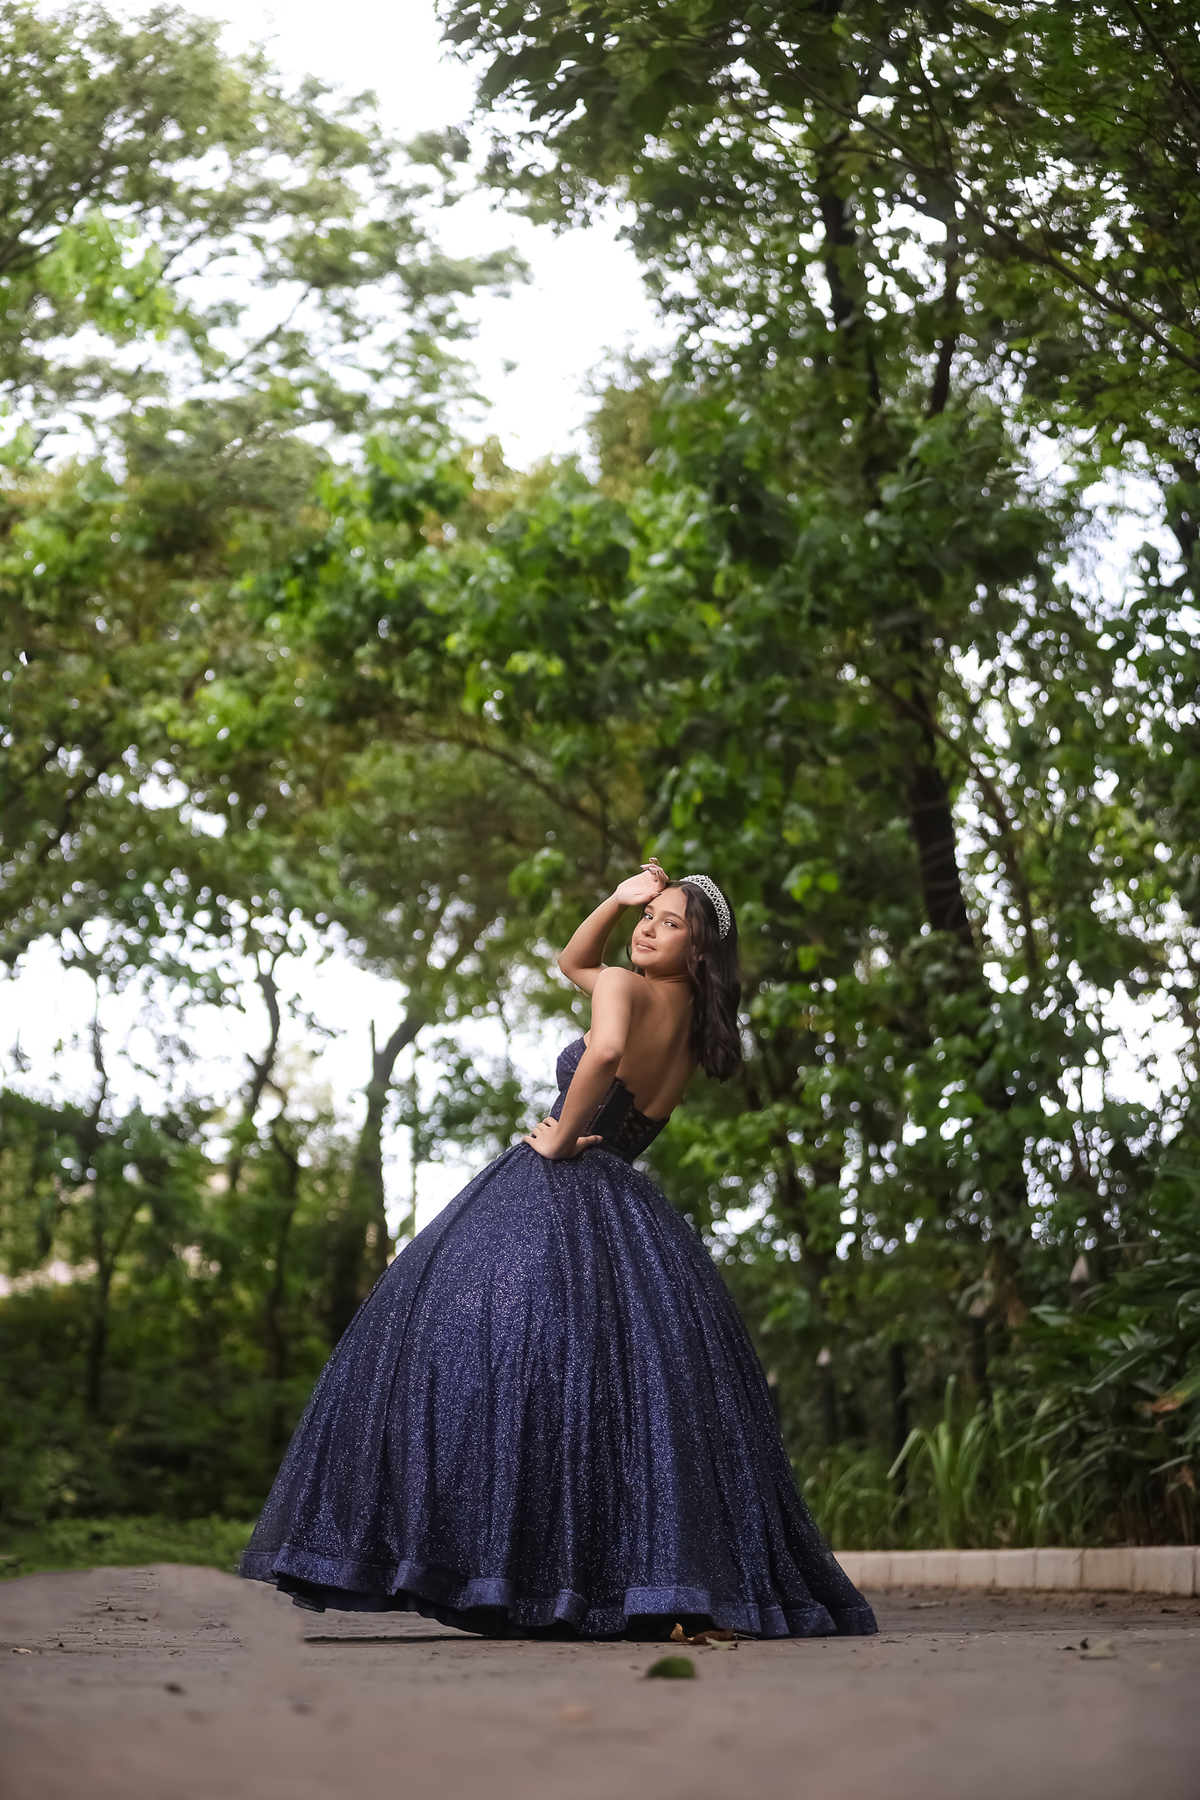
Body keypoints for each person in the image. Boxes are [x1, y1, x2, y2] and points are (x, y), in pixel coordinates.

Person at [241, 862, 877, 1639]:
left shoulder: (624, 989)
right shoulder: (690, 1024)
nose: (648, 928)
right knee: (620, 1392)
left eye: (670, 921)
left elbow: (603, 1051)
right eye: (647, 917)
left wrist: (561, 1138)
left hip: (565, 1179)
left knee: (467, 1351)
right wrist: (618, 899)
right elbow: (573, 962)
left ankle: (493, 1567)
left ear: (701, 949)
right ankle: (608, 1577)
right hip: (626, 1202)